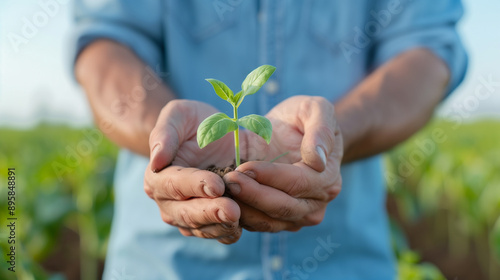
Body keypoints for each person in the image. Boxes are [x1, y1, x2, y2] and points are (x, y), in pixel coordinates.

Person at [74, 0, 467, 279]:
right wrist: (166, 138)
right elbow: (105, 44)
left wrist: (328, 136)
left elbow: (425, 52)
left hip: (344, 263)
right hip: (165, 267)